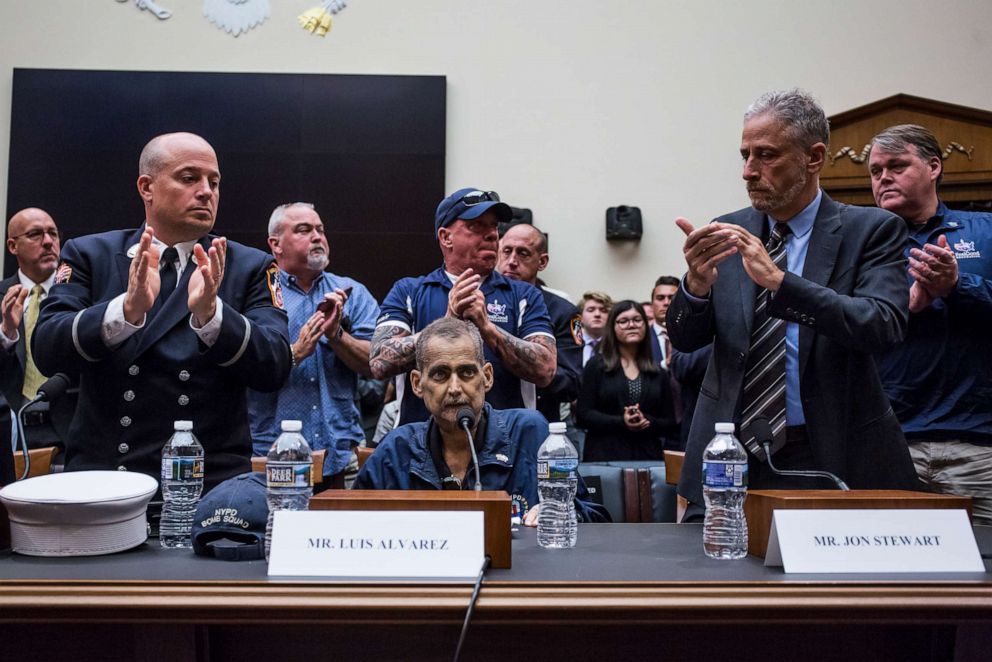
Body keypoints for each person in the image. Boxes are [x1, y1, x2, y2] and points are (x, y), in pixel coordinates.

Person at [667, 89, 919, 517]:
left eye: (766, 155)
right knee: (716, 580)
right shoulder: (727, 230)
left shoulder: (872, 230)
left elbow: (882, 324)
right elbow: (685, 341)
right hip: (729, 449)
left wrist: (781, 283)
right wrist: (695, 286)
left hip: (828, 450)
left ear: (814, 157)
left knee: (831, 583)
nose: (749, 171)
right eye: (745, 155)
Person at [33, 132, 291, 491]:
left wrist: (212, 316)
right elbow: (47, 348)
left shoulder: (248, 265)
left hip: (208, 484)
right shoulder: (90, 254)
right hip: (104, 480)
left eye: (213, 182)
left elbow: (276, 365)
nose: (206, 191)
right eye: (189, 178)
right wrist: (125, 310)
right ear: (146, 187)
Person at [355, 318, 609, 524]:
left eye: (466, 373)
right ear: (417, 384)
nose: (455, 388)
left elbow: (594, 518)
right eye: (440, 375)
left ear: (487, 377)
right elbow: (349, 522)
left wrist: (563, 515)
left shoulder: (530, 433)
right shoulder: (396, 448)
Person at [868, 124, 992, 525]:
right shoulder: (859, 244)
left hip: (978, 448)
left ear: (933, 166)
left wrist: (957, 286)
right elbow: (838, 323)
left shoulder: (985, 231)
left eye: (897, 166)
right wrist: (904, 307)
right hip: (890, 445)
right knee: (889, 580)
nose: (883, 177)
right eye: (875, 171)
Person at [370, 188, 556, 426]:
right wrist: (449, 321)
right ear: (446, 237)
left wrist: (487, 328)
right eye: (477, 226)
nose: (492, 234)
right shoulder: (409, 290)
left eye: (493, 226)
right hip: (423, 447)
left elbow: (545, 370)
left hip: (506, 445)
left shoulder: (524, 294)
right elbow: (378, 362)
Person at [247, 202, 379, 490]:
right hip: (272, 455)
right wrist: (293, 353)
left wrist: (336, 335)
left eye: (320, 229)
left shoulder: (352, 294)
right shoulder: (258, 294)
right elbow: (241, 365)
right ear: (276, 244)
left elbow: (375, 364)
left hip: (340, 453)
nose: (317, 236)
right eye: (304, 230)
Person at [1, 208, 75, 451]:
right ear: (13, 246)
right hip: (12, 430)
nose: (47, 242)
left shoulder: (78, 293)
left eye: (53, 234)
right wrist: (7, 334)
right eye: (35, 234)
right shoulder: (3, 297)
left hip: (70, 428)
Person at [497, 223, 582, 423]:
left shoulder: (563, 311)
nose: (511, 261)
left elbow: (573, 382)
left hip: (539, 422)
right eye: (506, 251)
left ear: (541, 262)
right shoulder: (481, 302)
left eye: (523, 253)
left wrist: (530, 365)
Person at [576, 300, 675, 462]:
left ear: (645, 325)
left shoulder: (658, 372)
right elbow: (583, 416)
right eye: (623, 321)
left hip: (648, 459)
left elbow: (669, 423)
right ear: (612, 328)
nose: (631, 325)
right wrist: (621, 421)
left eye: (637, 320)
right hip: (604, 459)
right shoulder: (597, 366)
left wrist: (646, 420)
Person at [577, 291, 612, 367]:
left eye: (603, 310)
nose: (597, 314)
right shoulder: (570, 342)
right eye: (591, 310)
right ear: (580, 317)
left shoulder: (616, 345)